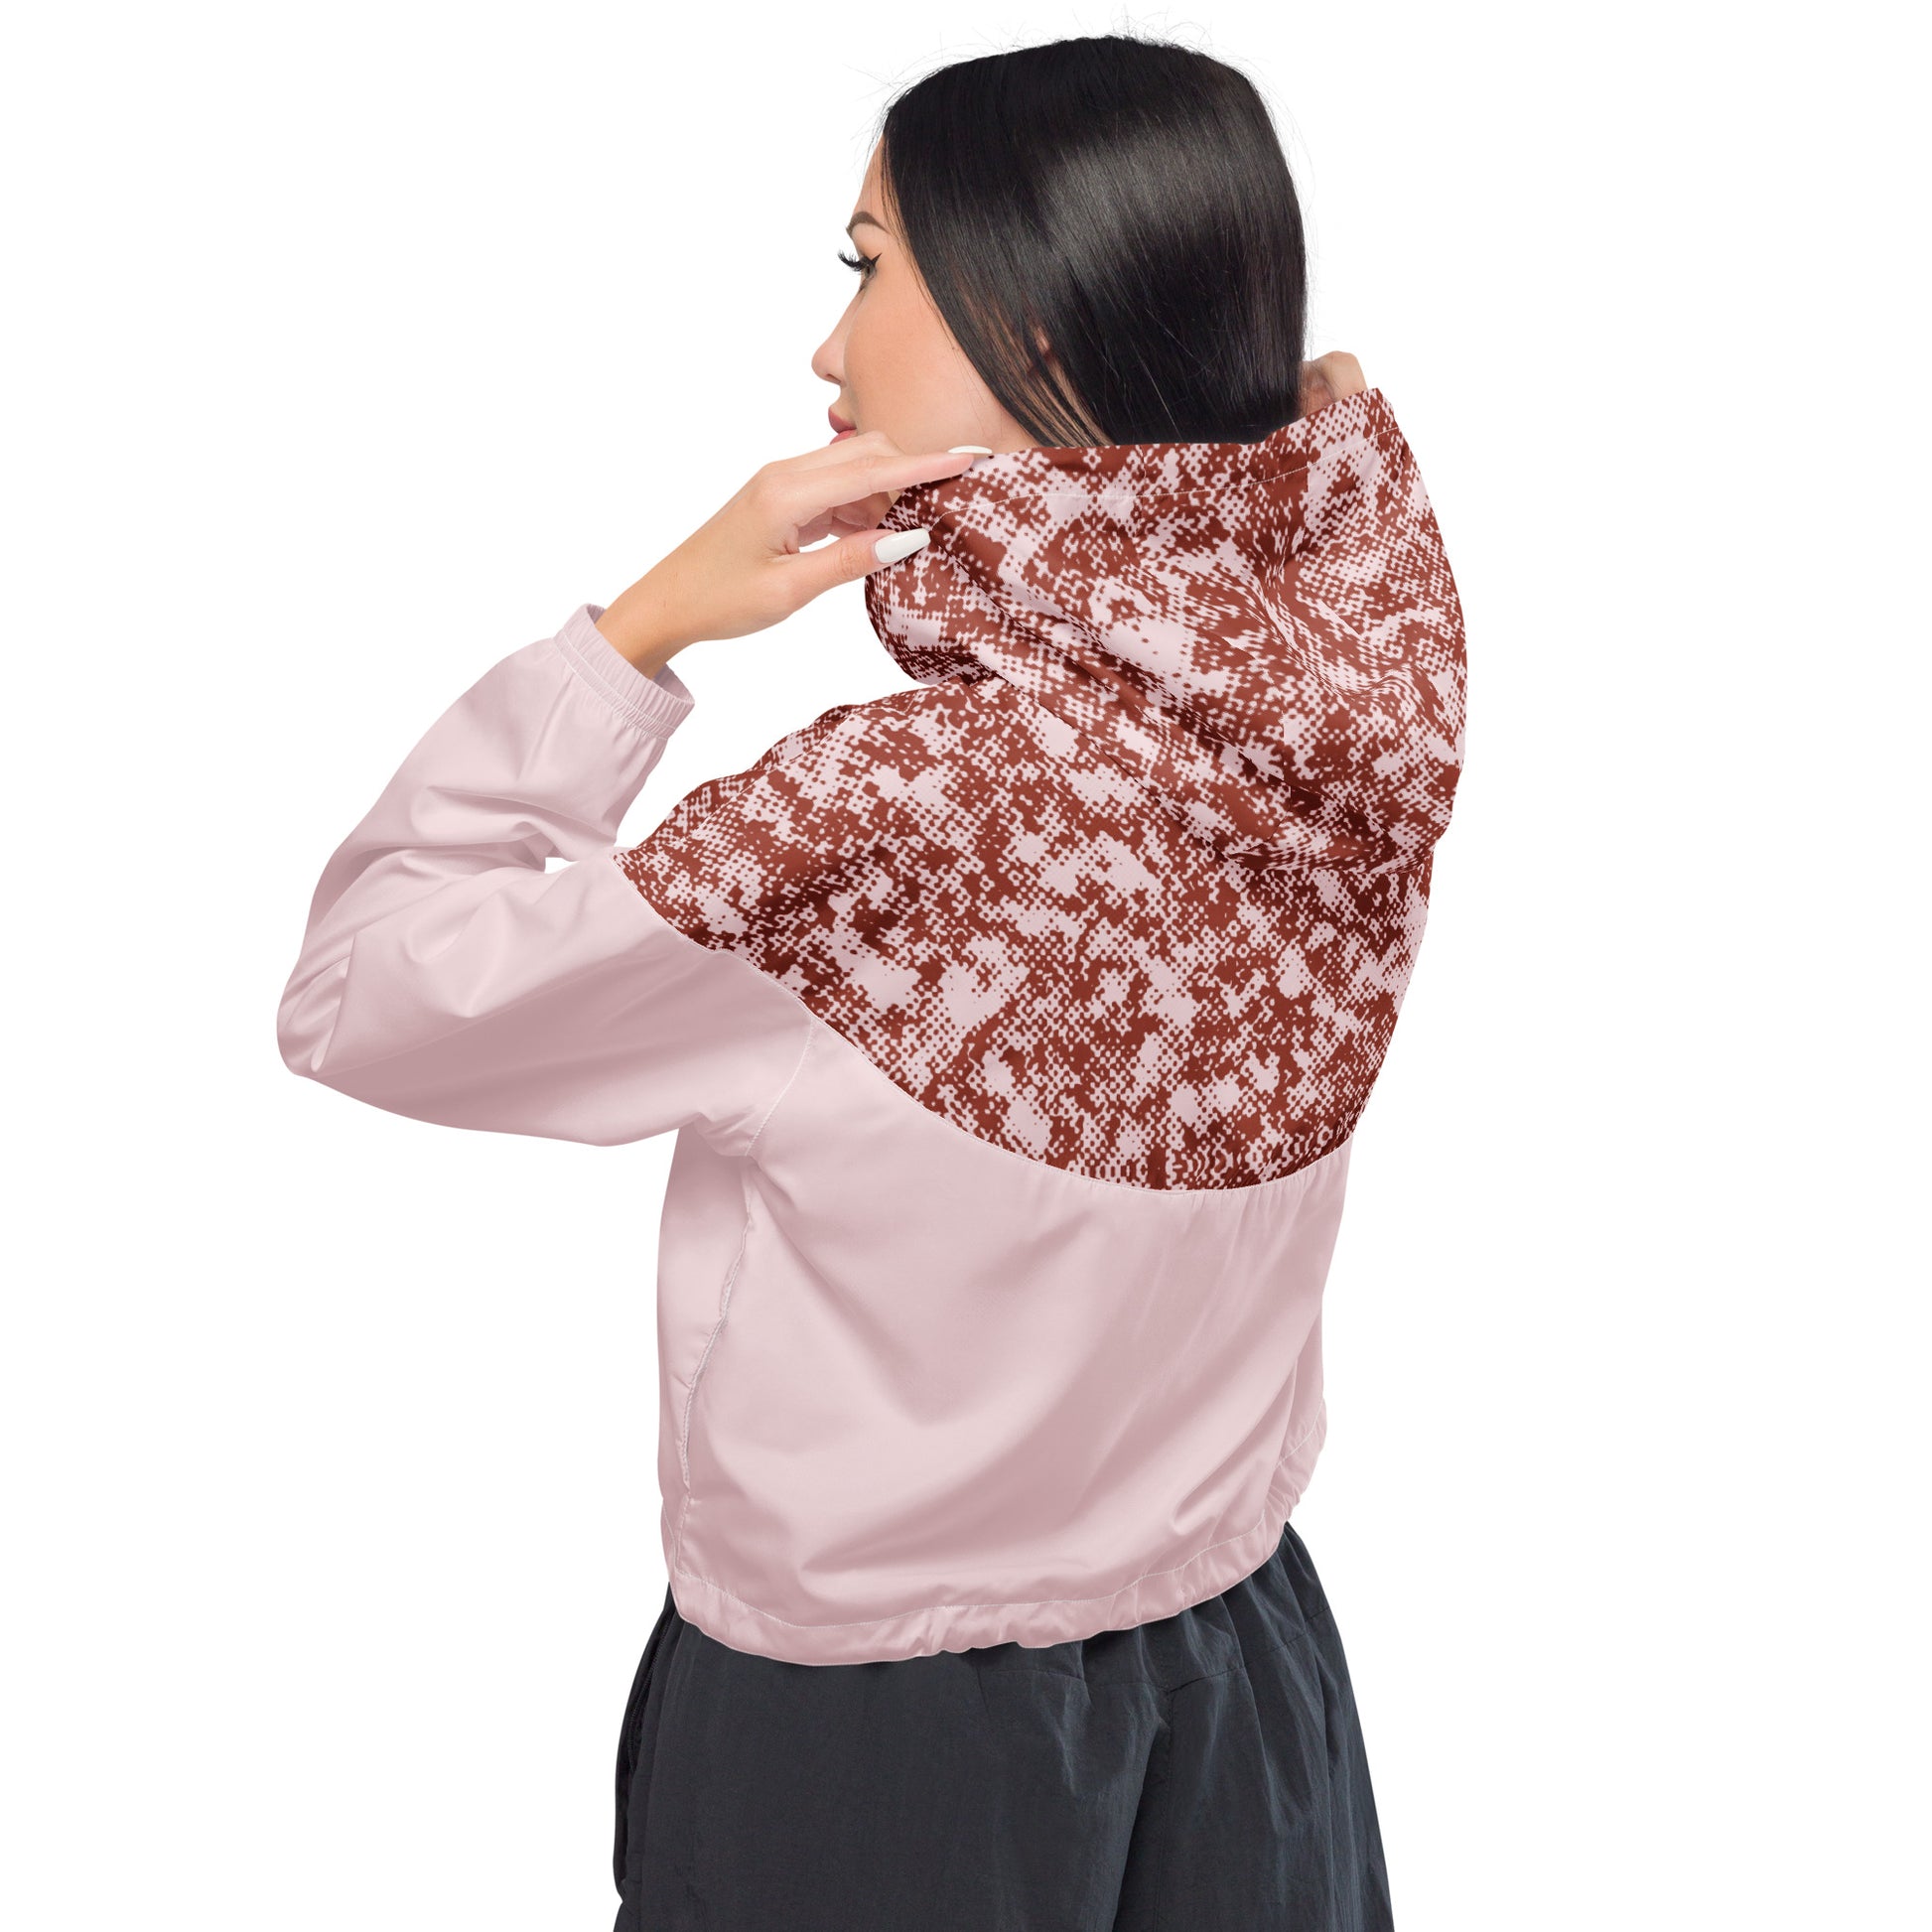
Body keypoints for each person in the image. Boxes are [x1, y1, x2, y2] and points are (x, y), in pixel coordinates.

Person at [276, 31, 1466, 1932]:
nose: (825, 349)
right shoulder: (1355, 707)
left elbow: (363, 992)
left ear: (1034, 309)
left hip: (880, 1741)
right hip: (1245, 1667)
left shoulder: (901, 809)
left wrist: (643, 624)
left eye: (866, 264)